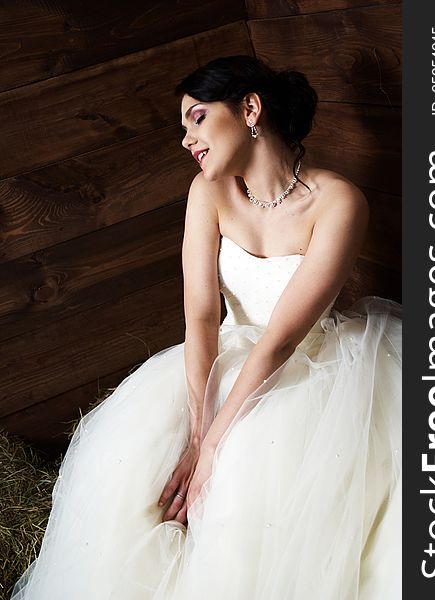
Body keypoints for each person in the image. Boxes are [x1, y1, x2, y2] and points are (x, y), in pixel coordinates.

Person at [11, 55, 401, 600]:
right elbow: (200, 315)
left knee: (242, 480)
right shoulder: (208, 191)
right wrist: (198, 425)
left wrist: (215, 447)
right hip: (221, 356)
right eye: (183, 128)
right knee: (135, 476)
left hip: (306, 364)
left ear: (249, 108)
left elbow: (281, 340)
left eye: (196, 117)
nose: (188, 139)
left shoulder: (338, 202)